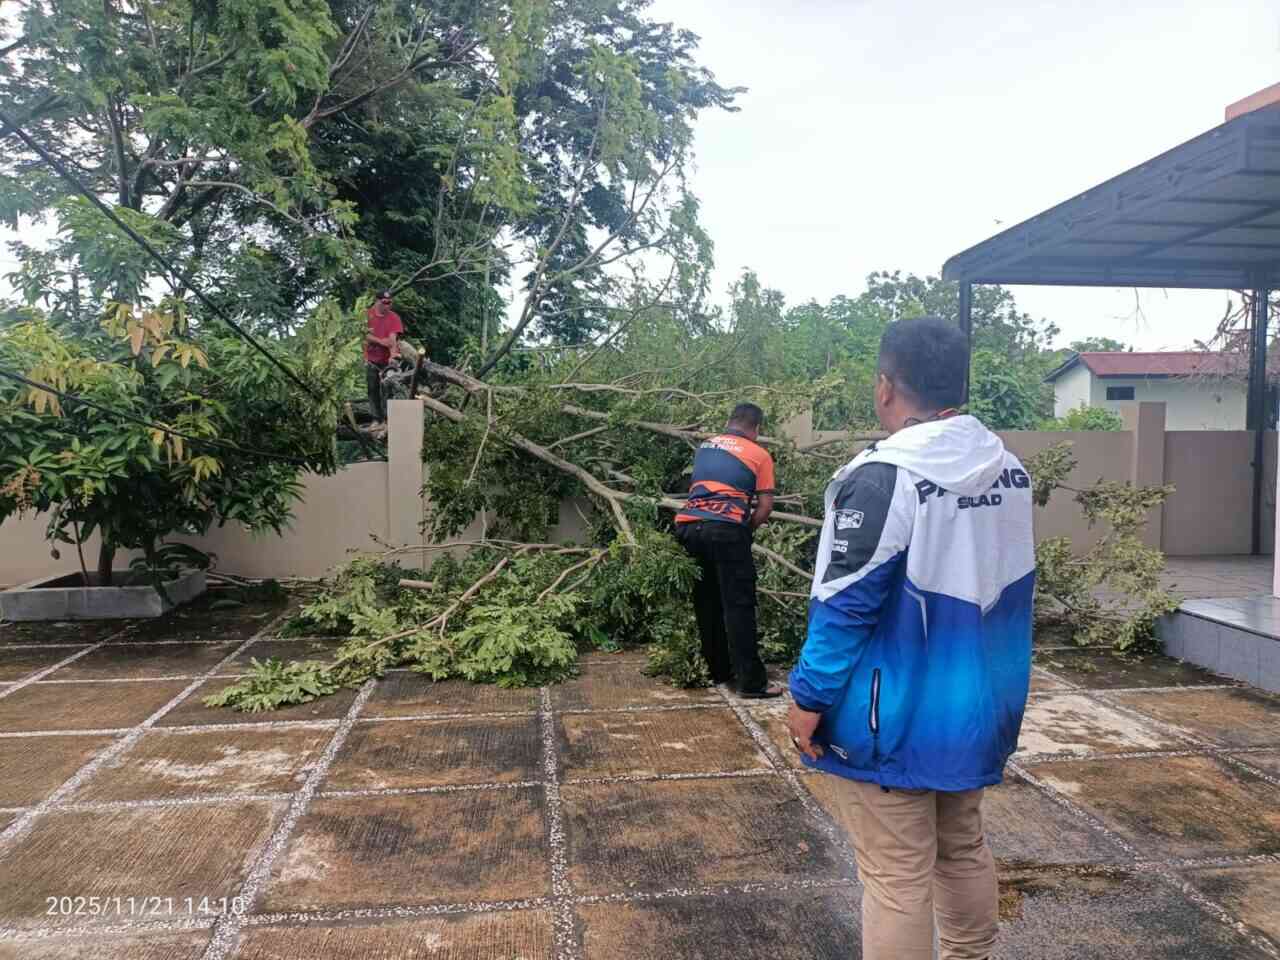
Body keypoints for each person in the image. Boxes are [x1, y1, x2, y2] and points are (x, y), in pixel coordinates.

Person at [787, 316, 1035, 960]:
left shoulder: (884, 476)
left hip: (889, 718)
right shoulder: (1008, 469)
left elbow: (844, 607)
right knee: (961, 847)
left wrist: (807, 701)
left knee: (896, 876)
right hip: (978, 705)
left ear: (886, 387)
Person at [674, 402, 783, 698]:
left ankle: (719, 671)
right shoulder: (759, 454)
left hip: (688, 527)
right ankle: (751, 683)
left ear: (731, 421)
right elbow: (765, 507)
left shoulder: (706, 446)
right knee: (739, 606)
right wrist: (744, 532)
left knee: (706, 603)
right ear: (757, 428)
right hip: (725, 528)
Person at [365, 290, 403, 423]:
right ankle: (376, 419)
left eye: (389, 303)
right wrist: (381, 341)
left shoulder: (394, 317)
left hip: (388, 359)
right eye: (384, 302)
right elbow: (365, 335)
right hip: (372, 359)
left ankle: (388, 419)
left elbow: (393, 339)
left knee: (388, 388)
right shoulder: (367, 315)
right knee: (372, 389)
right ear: (377, 301)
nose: (387, 305)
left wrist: (392, 357)